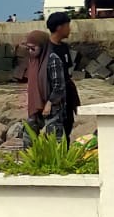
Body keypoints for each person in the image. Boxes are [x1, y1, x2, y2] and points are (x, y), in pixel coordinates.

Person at [41, 11, 79, 142]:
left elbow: (67, 74)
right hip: (52, 98)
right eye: (67, 26)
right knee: (55, 134)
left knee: (67, 128)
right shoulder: (46, 49)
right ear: (59, 27)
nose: (70, 29)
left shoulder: (64, 47)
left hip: (67, 94)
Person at [21, 29, 50, 138]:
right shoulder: (32, 61)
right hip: (35, 109)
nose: (30, 51)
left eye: (33, 48)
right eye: (28, 48)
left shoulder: (51, 61)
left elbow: (59, 85)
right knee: (29, 136)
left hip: (51, 107)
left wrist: (49, 103)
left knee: (54, 137)